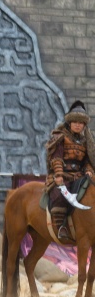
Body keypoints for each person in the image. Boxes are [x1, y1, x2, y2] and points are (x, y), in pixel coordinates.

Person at [46, 100, 95, 245]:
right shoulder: (60, 137)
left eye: (81, 123)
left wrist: (89, 171)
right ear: (70, 122)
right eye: (75, 122)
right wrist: (59, 175)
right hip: (63, 176)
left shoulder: (87, 141)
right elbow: (57, 158)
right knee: (60, 195)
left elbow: (87, 161)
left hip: (80, 177)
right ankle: (61, 227)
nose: (78, 125)